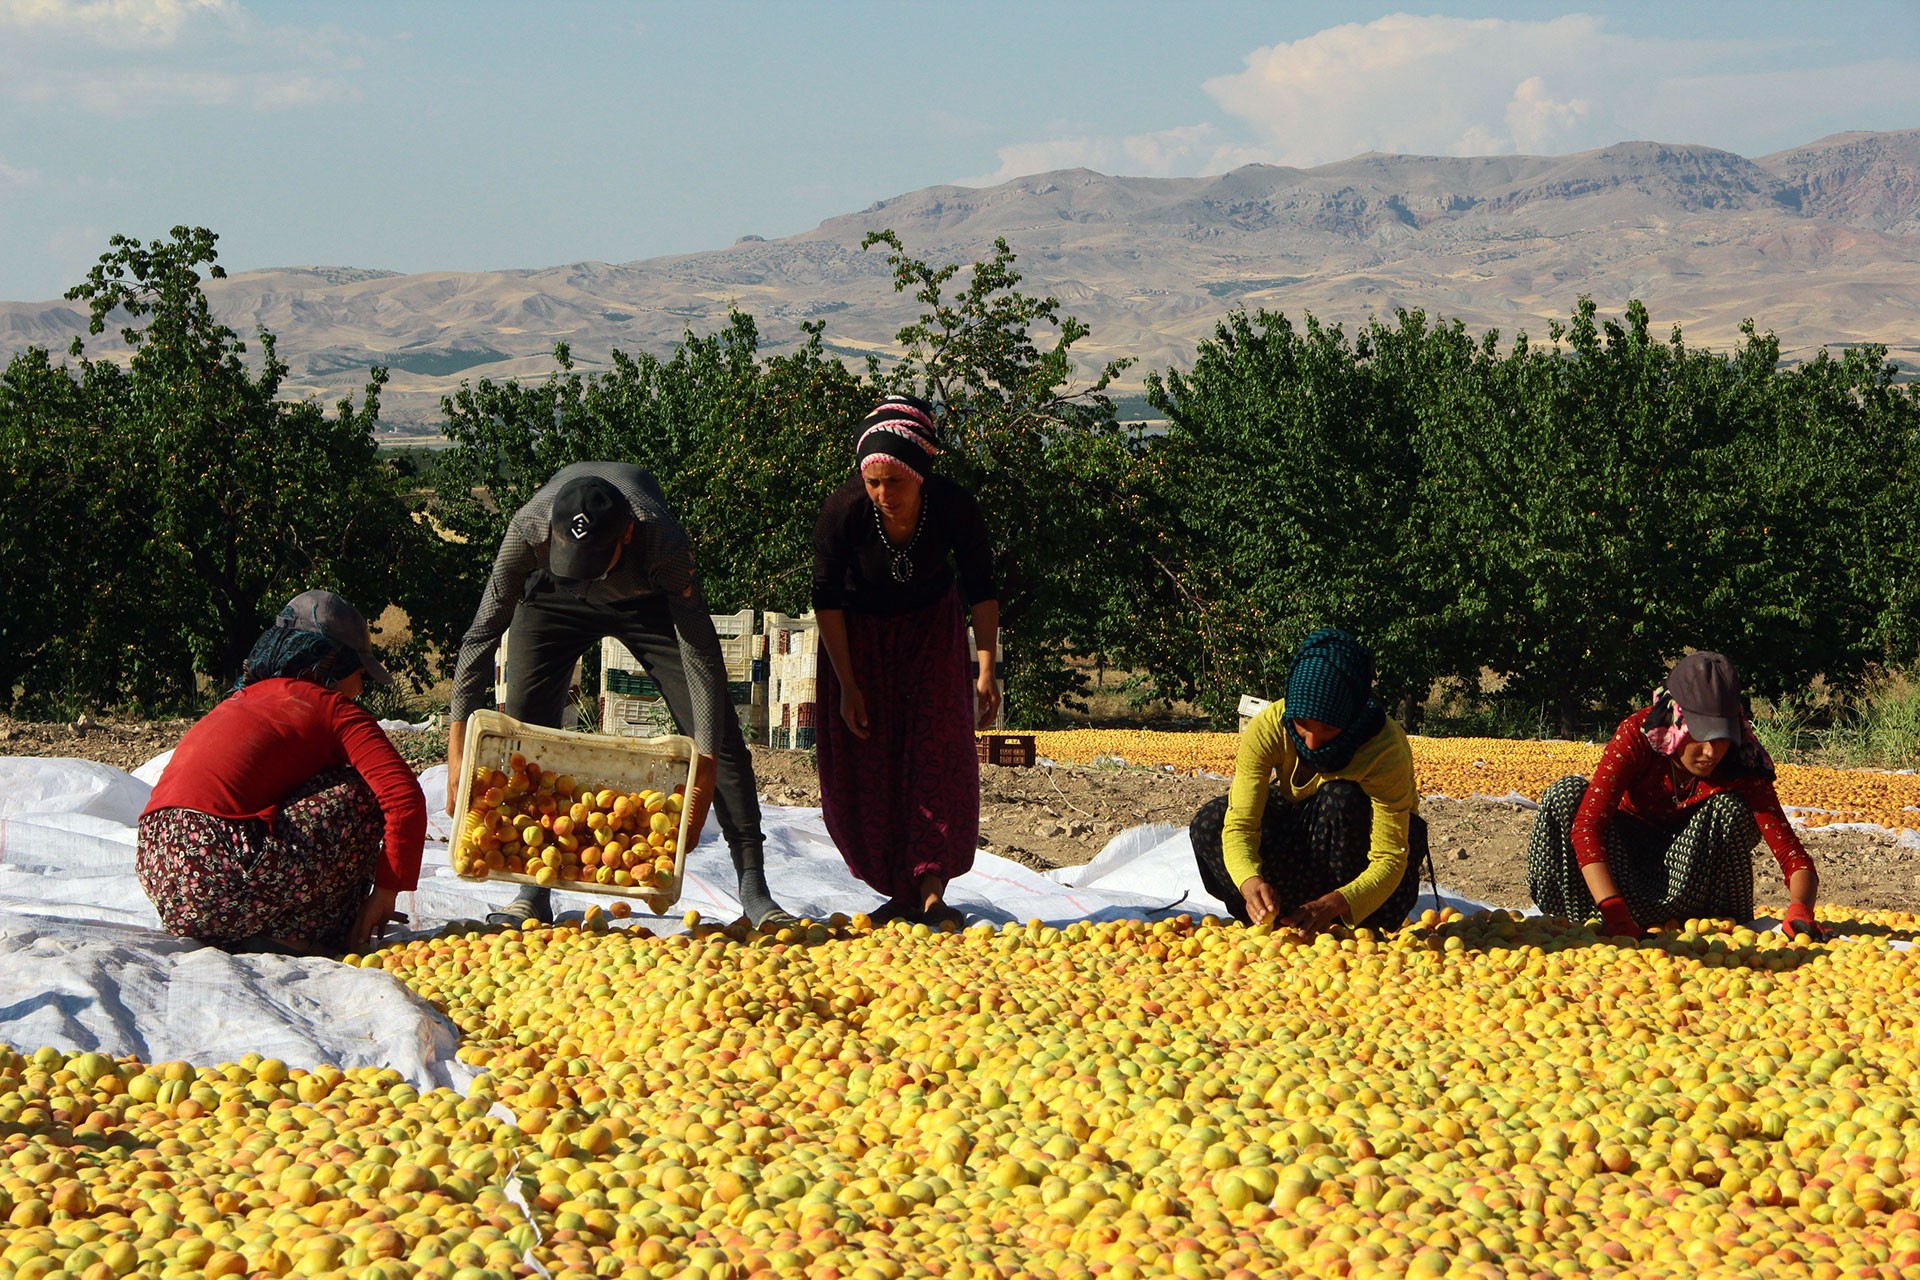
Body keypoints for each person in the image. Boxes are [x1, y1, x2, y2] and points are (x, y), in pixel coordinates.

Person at [446, 462, 794, 928]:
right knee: (527, 729)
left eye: (594, 564)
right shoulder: (528, 529)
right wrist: (456, 742)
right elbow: (480, 636)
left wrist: (706, 762)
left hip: (644, 602)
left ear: (626, 535)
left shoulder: (661, 540)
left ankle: (754, 888)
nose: (587, 575)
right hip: (553, 600)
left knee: (717, 732)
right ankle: (533, 887)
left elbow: (700, 654)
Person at [136, 590, 426, 955]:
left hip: (164, 872)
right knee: (363, 792)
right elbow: (403, 796)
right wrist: (387, 890)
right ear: (332, 666)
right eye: (360, 674)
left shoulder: (241, 700)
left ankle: (265, 929)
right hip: (221, 867)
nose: (361, 688)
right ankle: (299, 933)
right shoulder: (333, 707)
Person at [812, 395, 1000, 929]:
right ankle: (898, 887)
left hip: (930, 631)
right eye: (874, 483)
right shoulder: (844, 511)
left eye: (895, 482)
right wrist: (848, 684)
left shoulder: (954, 507)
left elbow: (981, 587)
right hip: (857, 638)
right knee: (867, 757)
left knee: (936, 747)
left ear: (921, 474)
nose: (883, 494)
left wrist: (985, 667)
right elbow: (825, 598)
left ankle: (931, 886)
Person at [1527, 650, 1824, 939]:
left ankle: (1708, 925)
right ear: (1676, 719)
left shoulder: (1741, 758)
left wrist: (1800, 910)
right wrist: (1615, 913)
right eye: (1700, 735)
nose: (1711, 752)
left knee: (1730, 810)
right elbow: (1587, 826)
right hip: (1620, 867)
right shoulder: (1637, 736)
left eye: (1721, 738)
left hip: (1691, 881)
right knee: (1565, 795)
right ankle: (1596, 916)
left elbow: (1791, 854)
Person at [1190, 628, 1426, 931]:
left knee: (1341, 797)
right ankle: (1273, 917)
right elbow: (1240, 825)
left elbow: (1390, 858)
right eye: (1302, 725)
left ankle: (1343, 922)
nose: (1312, 743)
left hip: (1363, 879)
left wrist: (1333, 903)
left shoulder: (1384, 747)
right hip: (1302, 856)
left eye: (1328, 729)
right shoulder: (1270, 727)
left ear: (1350, 714)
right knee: (1211, 822)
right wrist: (1251, 885)